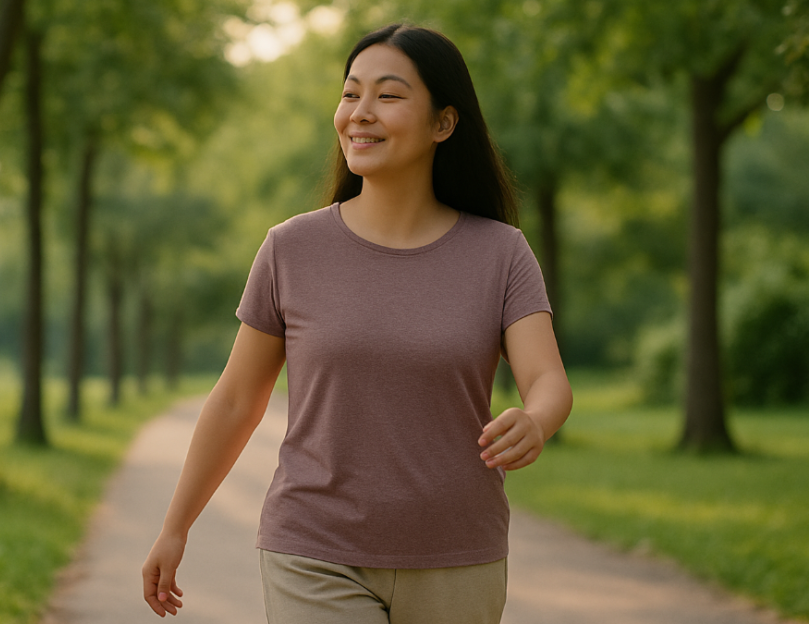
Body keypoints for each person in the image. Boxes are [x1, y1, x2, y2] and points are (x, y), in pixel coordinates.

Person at [142, 23, 572, 624]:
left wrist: (537, 419)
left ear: (444, 124)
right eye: (350, 94)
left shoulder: (500, 253)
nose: (359, 114)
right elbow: (237, 399)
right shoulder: (291, 249)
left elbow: (547, 379)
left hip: (457, 552)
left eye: (388, 96)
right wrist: (175, 526)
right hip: (314, 547)